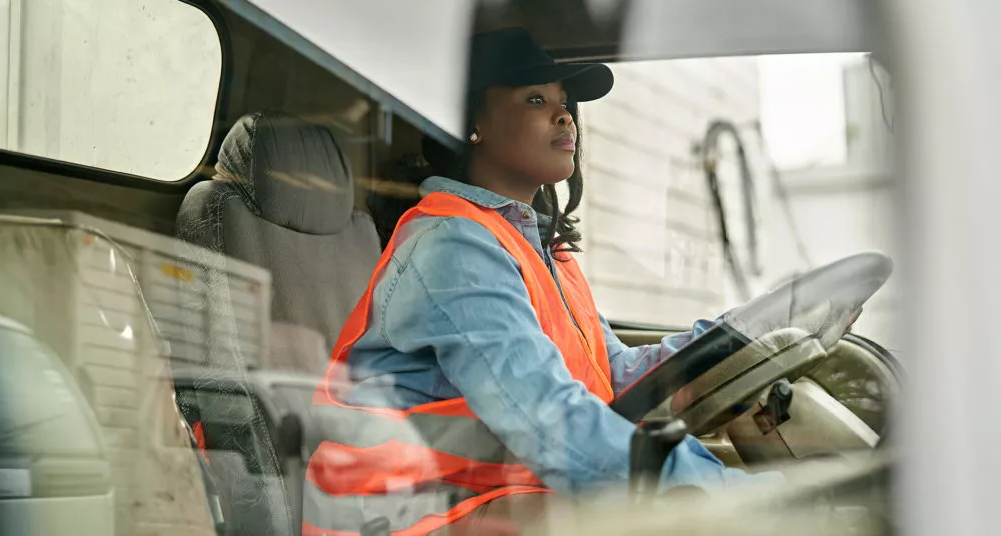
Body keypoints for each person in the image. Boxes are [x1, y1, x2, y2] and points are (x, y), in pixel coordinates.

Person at [304, 27, 779, 536]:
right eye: (536, 98)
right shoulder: (452, 246)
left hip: (488, 496)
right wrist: (728, 495)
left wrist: (735, 337)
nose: (564, 114)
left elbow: (613, 376)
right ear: (472, 125)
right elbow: (545, 418)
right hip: (404, 514)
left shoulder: (542, 251)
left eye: (564, 101)